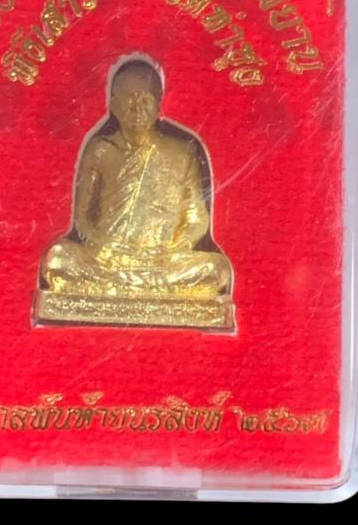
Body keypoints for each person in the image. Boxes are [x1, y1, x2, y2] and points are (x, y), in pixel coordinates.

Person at [35, 56, 234, 329]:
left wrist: (173, 248)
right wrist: (103, 247)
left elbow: (196, 217)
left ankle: (120, 292)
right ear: (114, 105)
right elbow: (83, 217)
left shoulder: (181, 152)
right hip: (109, 260)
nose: (138, 107)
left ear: (159, 105)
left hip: (162, 261)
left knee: (217, 270)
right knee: (58, 259)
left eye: (146, 99)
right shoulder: (100, 150)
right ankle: (144, 291)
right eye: (129, 99)